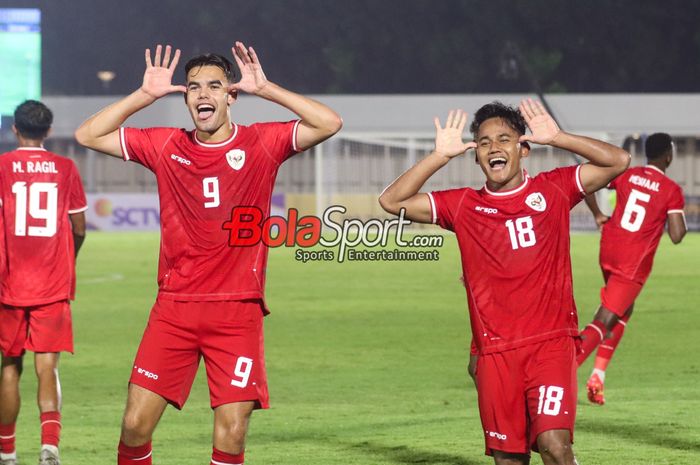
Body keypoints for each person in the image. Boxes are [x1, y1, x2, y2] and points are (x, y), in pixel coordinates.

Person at [74, 42, 342, 465]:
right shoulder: (165, 145)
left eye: (214, 86)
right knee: (134, 425)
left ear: (231, 96)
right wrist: (143, 96)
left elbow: (329, 122)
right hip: (175, 308)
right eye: (194, 87)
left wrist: (267, 87)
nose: (203, 94)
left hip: (237, 312)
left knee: (232, 434)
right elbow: (87, 134)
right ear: (185, 98)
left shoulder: (263, 142)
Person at [379, 100, 630, 465]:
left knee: (555, 446)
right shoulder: (463, 205)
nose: (494, 148)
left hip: (551, 345)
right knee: (507, 460)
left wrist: (558, 137)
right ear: (476, 156)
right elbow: (391, 200)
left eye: (504, 139)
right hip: (495, 355)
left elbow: (618, 161)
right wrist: (438, 156)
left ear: (523, 148)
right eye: (483, 143)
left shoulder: (555, 189)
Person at [0, 100, 88, 465]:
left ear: (15, 130)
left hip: (9, 284)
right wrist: (70, 257)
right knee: (47, 367)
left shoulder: (2, 167)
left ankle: (7, 453)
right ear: (48, 131)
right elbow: (79, 227)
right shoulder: (66, 168)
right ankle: (49, 446)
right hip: (52, 284)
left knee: (9, 366)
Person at [577, 132, 686, 405]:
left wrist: (598, 215)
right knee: (605, 318)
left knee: (624, 310)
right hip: (632, 263)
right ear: (668, 155)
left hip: (609, 248)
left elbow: (586, 182)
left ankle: (598, 377)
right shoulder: (671, 190)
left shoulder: (628, 174)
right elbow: (676, 235)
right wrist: (673, 214)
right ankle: (565, 369)